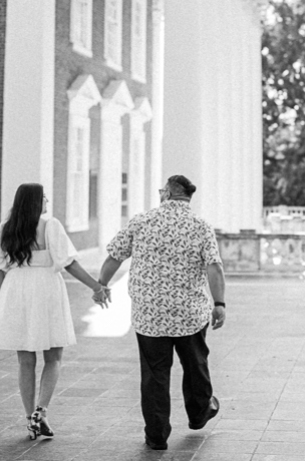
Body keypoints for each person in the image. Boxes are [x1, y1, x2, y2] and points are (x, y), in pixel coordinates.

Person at [97, 175, 225, 451]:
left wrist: (101, 285)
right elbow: (214, 267)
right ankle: (200, 411)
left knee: (154, 374)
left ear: (167, 193)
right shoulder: (200, 225)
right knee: (195, 365)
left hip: (150, 313)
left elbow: (114, 256)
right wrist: (220, 304)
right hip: (189, 312)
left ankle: (156, 436)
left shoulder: (142, 221)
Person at [0, 183, 111, 440]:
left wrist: (4, 297)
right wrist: (96, 287)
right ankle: (41, 412)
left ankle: (28, 416)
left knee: (25, 359)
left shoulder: (5, 228)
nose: (47, 202)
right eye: (44, 198)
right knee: (53, 356)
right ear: (35, 202)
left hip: (16, 288)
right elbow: (69, 263)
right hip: (45, 289)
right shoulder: (49, 225)